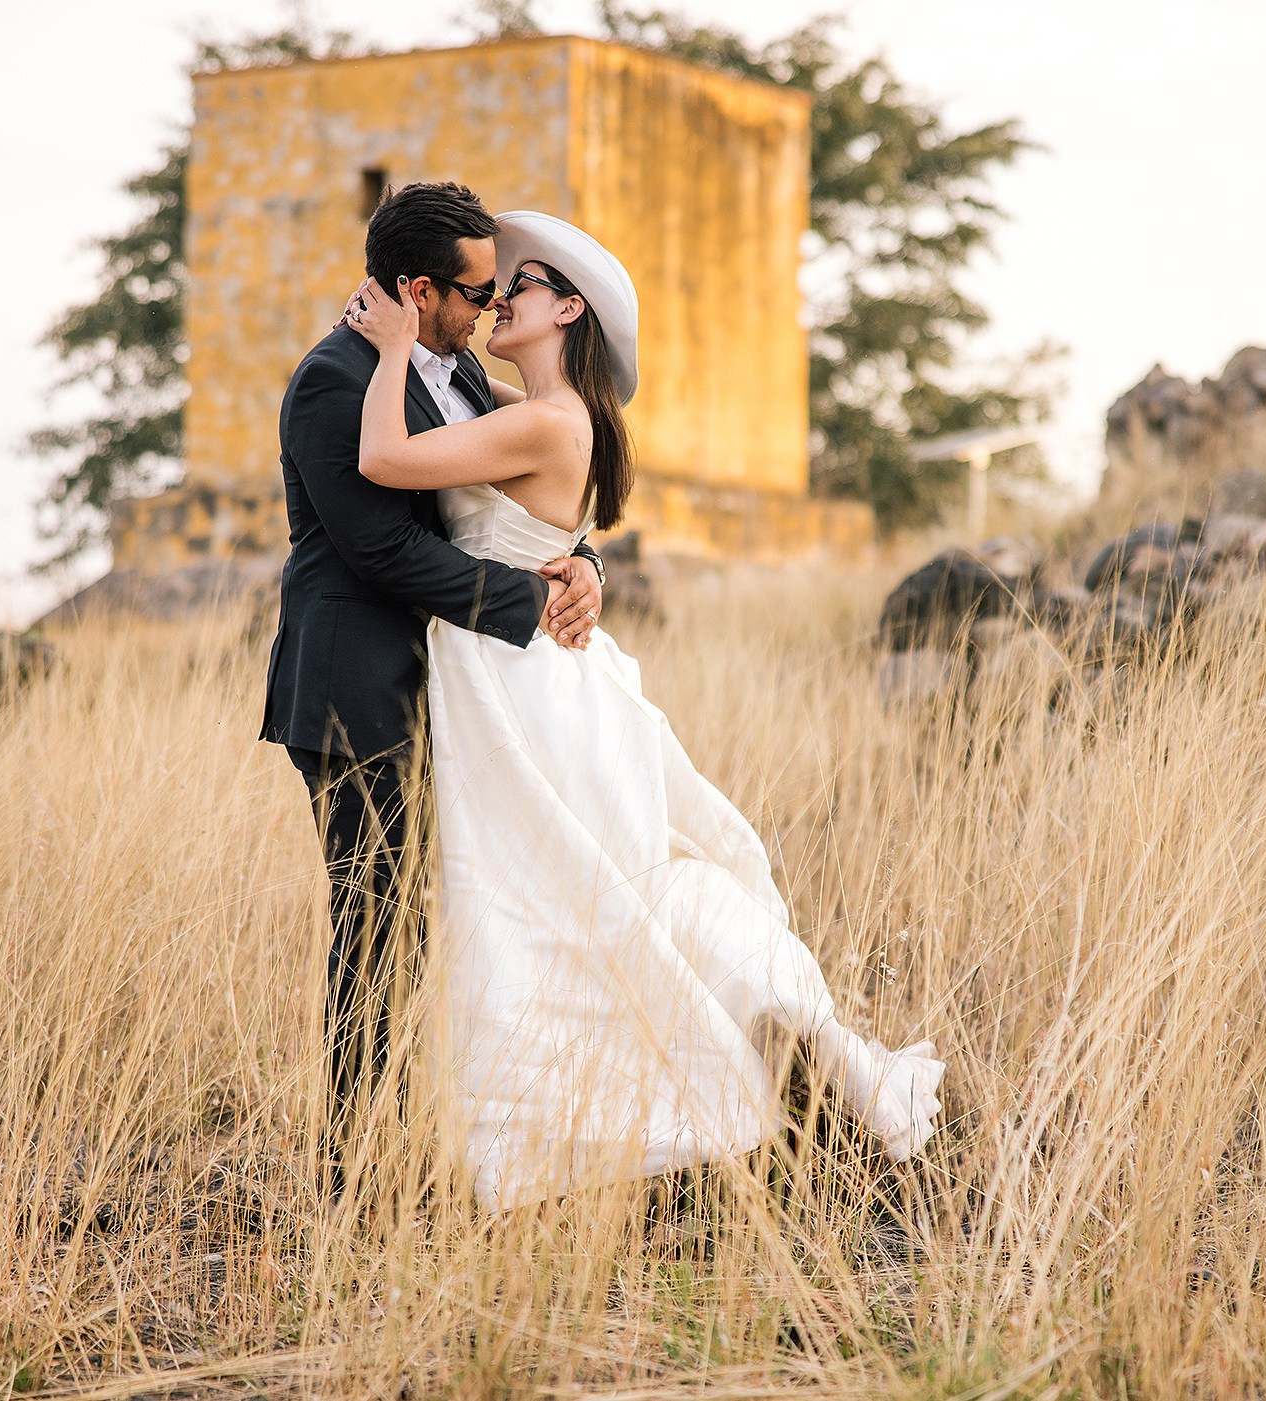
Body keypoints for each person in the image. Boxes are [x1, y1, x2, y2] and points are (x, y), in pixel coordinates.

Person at [341, 209, 943, 1210]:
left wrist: (394, 345)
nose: (499, 300)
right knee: (552, 894)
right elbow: (460, 421)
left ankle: (606, 1123)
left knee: (539, 897)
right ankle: (584, 1118)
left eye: (520, 288)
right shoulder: (532, 407)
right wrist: (583, 561)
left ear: (566, 309)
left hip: (521, 687)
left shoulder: (544, 418)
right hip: (528, 673)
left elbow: (388, 463)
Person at [257, 183, 606, 1155]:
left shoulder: (449, 373)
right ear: (419, 291)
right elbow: (381, 550)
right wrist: (527, 606)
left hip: (450, 692)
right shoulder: (336, 377)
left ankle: (423, 1137)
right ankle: (353, 1165)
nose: (493, 306)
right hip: (356, 692)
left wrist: (583, 565)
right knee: (376, 925)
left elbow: (545, 483)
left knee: (439, 921)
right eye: (478, 290)